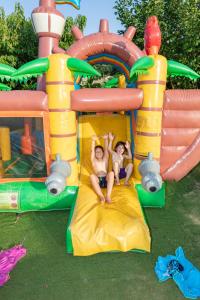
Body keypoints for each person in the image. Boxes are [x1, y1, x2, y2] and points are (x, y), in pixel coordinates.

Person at [90, 134, 114, 203]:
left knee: (111, 173)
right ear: (95, 153)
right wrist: (93, 141)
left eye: (100, 151)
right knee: (91, 176)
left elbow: (106, 149)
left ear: (103, 153)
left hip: (106, 180)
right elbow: (92, 151)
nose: (98, 153)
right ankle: (101, 196)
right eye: (96, 152)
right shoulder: (93, 160)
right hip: (98, 181)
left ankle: (108, 195)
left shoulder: (105, 159)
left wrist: (106, 139)